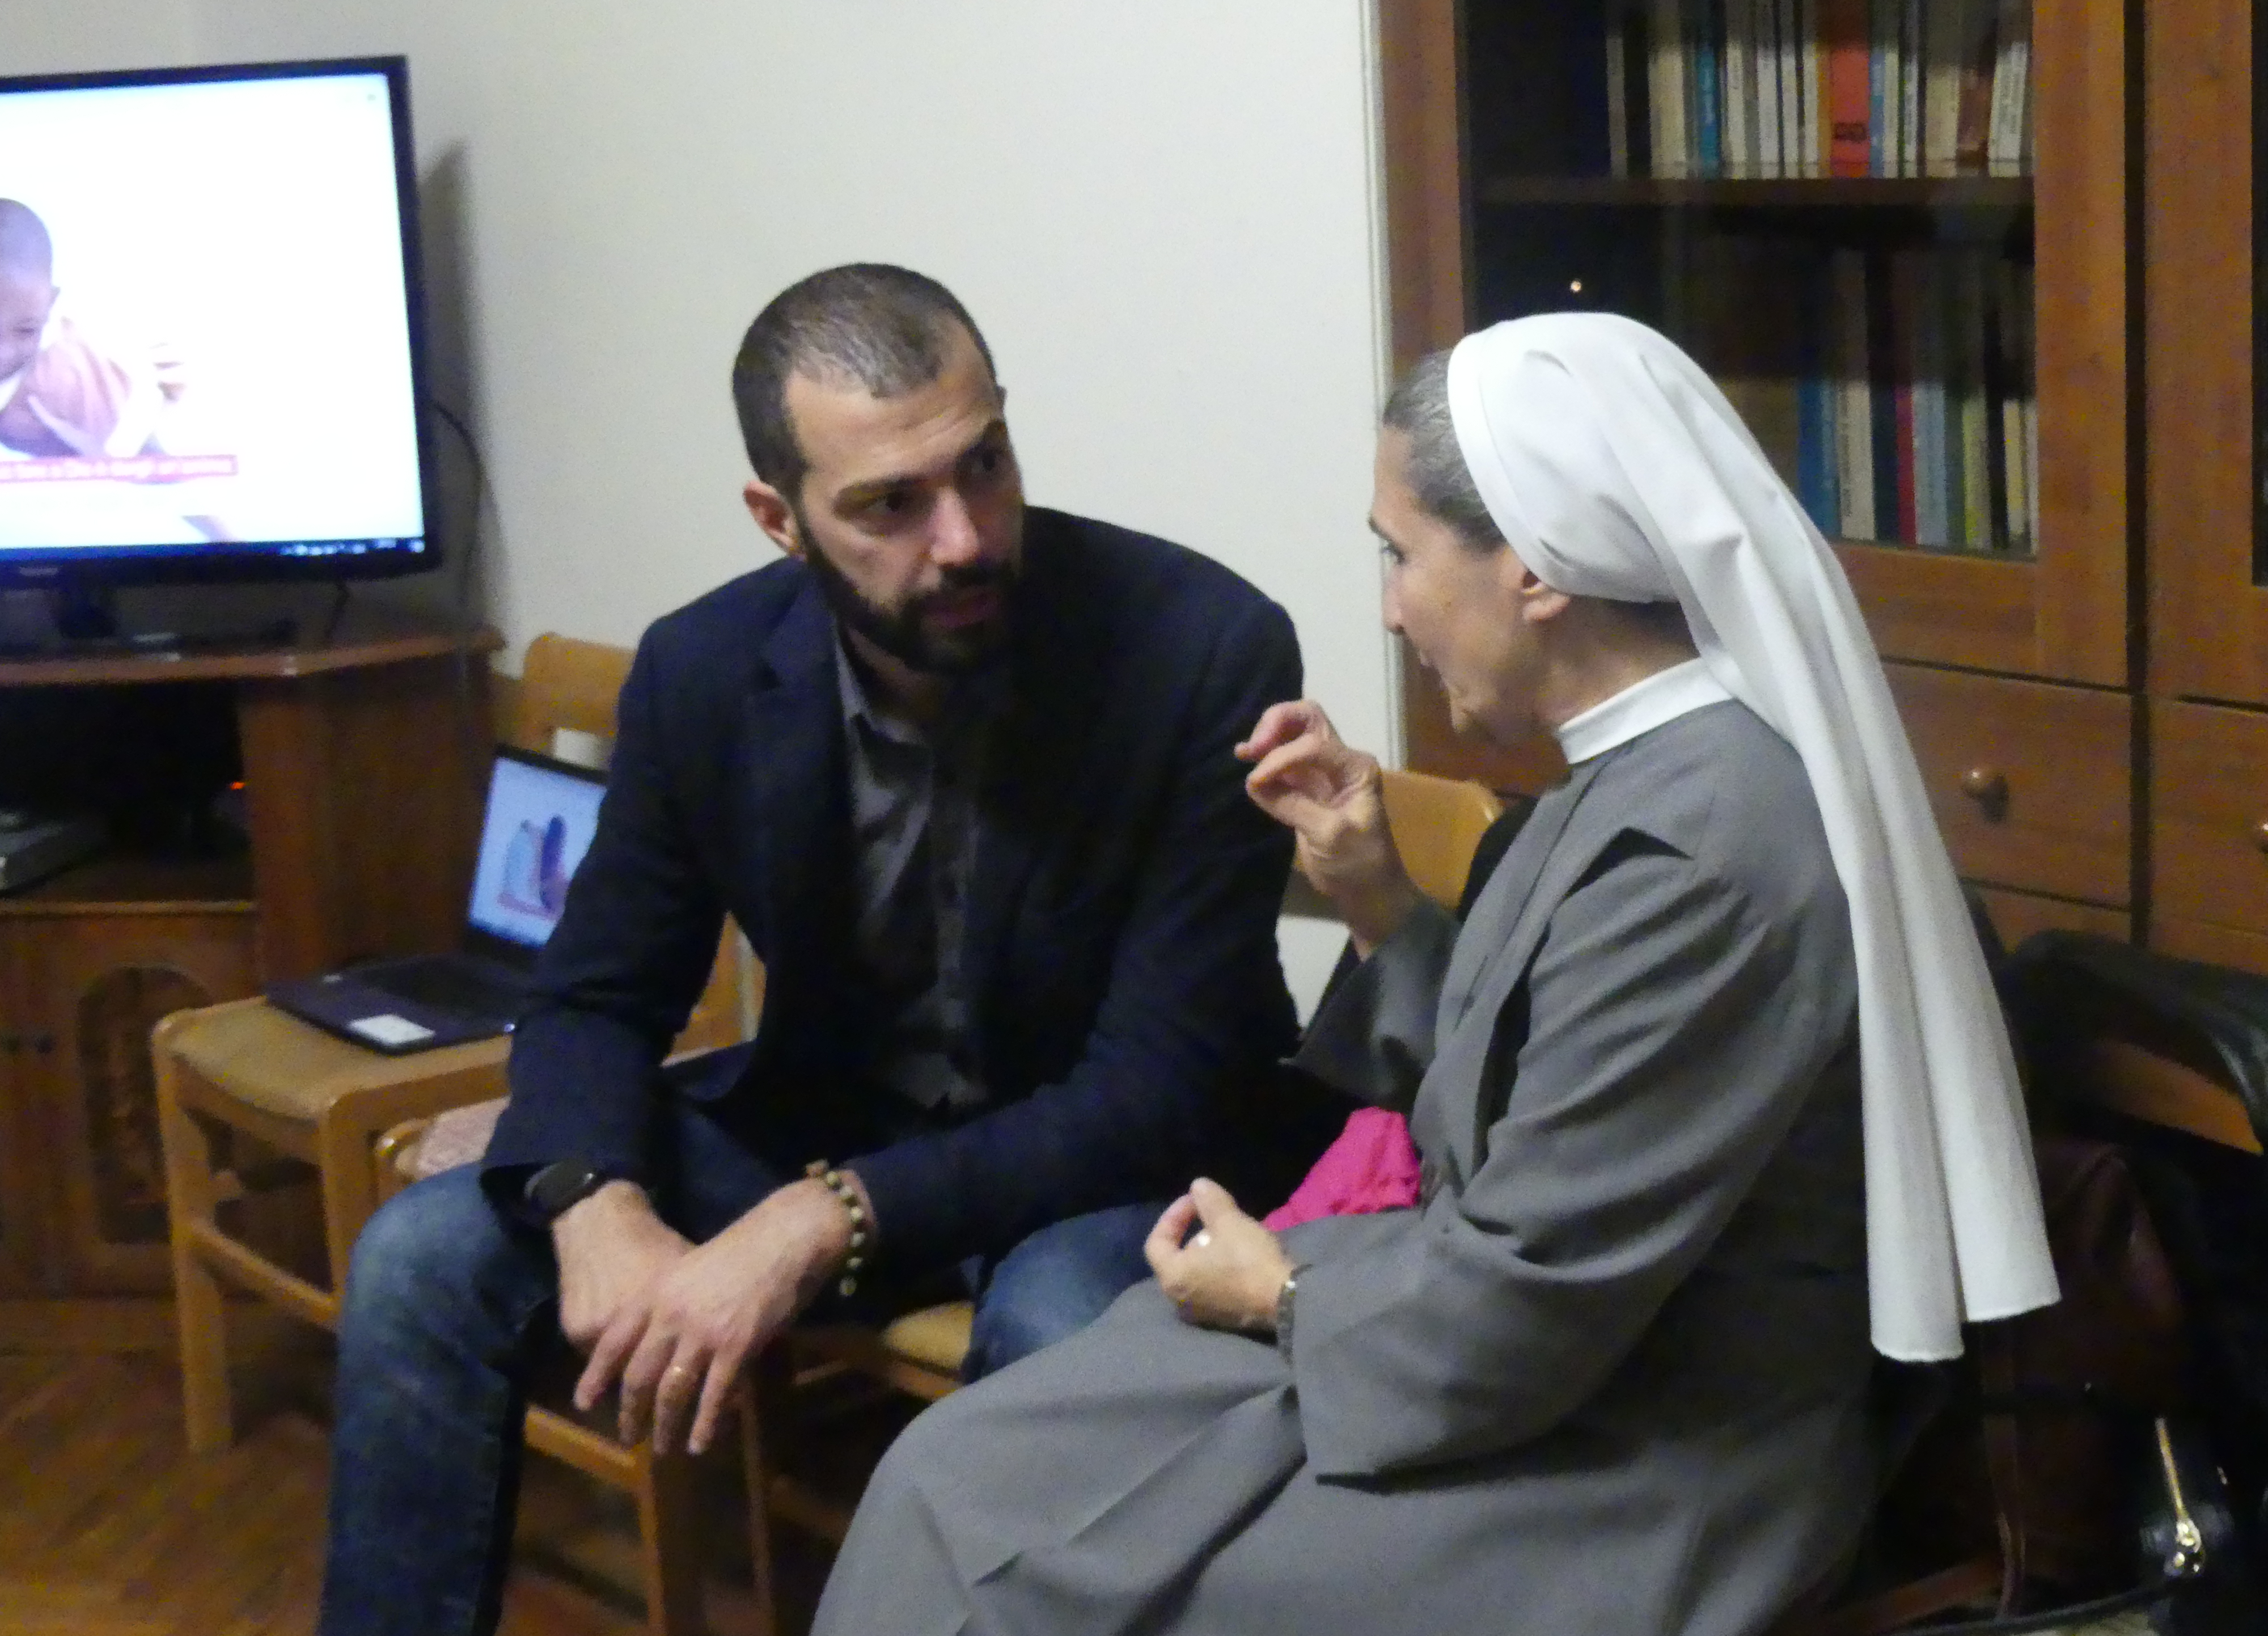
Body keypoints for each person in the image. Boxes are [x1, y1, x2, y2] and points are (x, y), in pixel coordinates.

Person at [809, 312, 2059, 1636]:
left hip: (1643, 1466)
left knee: (1015, 1555)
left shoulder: (1702, 851)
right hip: (1514, 1366)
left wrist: (1280, 1294)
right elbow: (1532, 1094)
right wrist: (1378, 898)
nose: (1390, 605)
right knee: (962, 1472)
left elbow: (1530, 1296)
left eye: (1400, 554)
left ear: (1532, 568)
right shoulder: (1643, 777)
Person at [318, 264, 1332, 1636]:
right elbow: (597, 996)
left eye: (984, 464)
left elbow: (1157, 1084)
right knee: (421, 1258)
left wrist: (820, 1220)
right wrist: (593, 1200)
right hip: (834, 1116)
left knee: (1062, 1340)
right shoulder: (702, 669)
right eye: (888, 505)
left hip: (1108, 1167)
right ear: (778, 519)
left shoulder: (1200, 645)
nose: (964, 538)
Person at [0, 199, 171, 462]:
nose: (4, 353)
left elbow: (160, 469)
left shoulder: (69, 379)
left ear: (50, 305)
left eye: (26, 331)